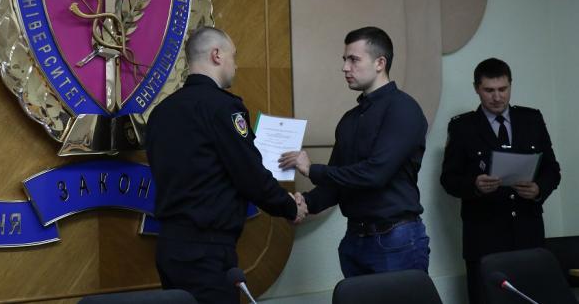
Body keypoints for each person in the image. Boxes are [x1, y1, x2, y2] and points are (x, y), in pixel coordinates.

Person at [145, 26, 306, 304]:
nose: (236, 65)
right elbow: (250, 175)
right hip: (206, 251)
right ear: (216, 55)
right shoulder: (222, 107)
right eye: (234, 56)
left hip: (169, 247)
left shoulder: (160, 112)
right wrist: (290, 207)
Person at [279, 26, 430, 277]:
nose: (345, 68)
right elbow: (337, 184)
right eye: (344, 59)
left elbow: (375, 174)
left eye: (354, 59)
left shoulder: (403, 109)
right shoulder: (349, 119)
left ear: (380, 63)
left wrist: (312, 169)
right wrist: (304, 204)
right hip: (354, 241)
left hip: (395, 240)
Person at [440, 57, 561, 304]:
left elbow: (552, 169)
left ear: (510, 85)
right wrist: (475, 186)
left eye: (503, 89)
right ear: (477, 88)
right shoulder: (463, 127)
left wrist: (539, 189)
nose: (497, 97)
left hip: (528, 234)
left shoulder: (531, 119)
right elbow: (448, 179)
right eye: (489, 90)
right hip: (484, 237)